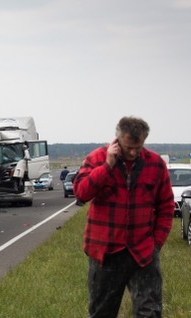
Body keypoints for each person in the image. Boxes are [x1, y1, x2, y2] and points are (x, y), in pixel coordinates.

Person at [73, 116, 174, 317]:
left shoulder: (155, 164)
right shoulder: (97, 158)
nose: (133, 152)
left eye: (138, 147)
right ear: (117, 139)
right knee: (102, 312)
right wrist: (107, 166)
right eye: (128, 147)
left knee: (150, 312)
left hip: (143, 252)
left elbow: (166, 206)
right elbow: (81, 193)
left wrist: (156, 244)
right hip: (105, 252)